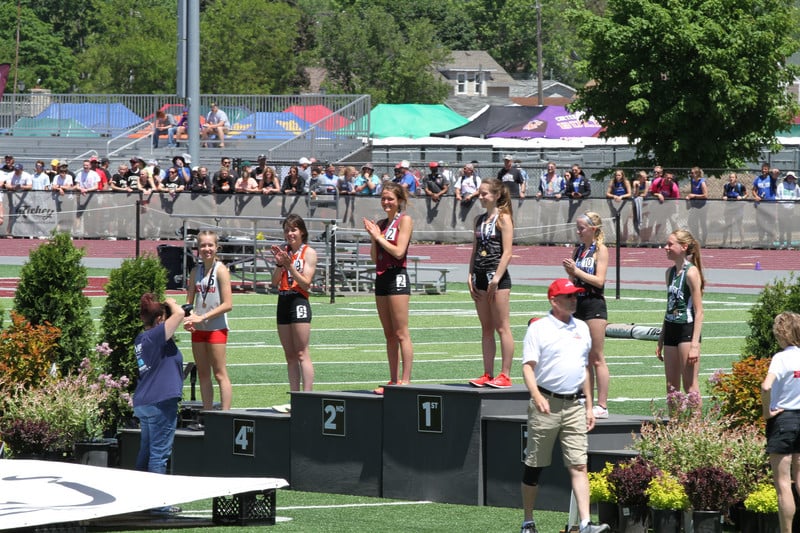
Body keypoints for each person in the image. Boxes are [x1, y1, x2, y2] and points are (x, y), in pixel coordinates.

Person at [519, 278, 610, 533]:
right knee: (535, 464)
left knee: (579, 464)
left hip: (574, 405)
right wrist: (536, 396)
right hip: (546, 402)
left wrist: (589, 405)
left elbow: (584, 369)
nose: (574, 300)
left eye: (575, 296)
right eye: (568, 296)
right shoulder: (538, 328)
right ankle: (528, 520)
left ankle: (584, 523)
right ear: (553, 300)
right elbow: (528, 367)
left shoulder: (581, 327)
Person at [362, 182, 414, 395]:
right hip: (381, 276)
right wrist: (374, 237)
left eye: (390, 198)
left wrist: (379, 237)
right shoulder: (382, 223)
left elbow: (399, 251)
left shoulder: (405, 220)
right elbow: (375, 257)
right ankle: (392, 380)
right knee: (389, 333)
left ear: (399, 200)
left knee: (401, 332)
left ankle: (406, 380)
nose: (386, 202)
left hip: (397, 276)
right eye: (383, 198)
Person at [467, 178, 515, 389]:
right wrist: (470, 274)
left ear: (496, 195)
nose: (481, 196)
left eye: (485, 193)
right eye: (480, 193)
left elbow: (507, 252)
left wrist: (496, 277)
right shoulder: (479, 220)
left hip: (497, 278)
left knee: (502, 327)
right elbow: (475, 248)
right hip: (479, 275)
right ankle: (488, 373)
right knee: (486, 328)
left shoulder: (503, 218)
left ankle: (505, 375)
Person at [562, 212, 610, 418]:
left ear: (593, 229)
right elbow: (575, 279)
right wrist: (571, 274)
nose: (578, 232)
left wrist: (577, 272)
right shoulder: (578, 250)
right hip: (577, 303)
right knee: (581, 356)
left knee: (596, 356)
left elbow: (599, 281)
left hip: (594, 304)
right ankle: (585, 399)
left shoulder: (601, 250)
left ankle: (602, 405)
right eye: (577, 228)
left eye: (582, 228)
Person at [133, 294, 184, 486]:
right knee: (159, 455)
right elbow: (179, 313)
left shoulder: (142, 338)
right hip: (161, 402)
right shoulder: (155, 336)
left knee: (146, 452)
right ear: (160, 319)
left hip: (144, 401)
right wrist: (171, 303)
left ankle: (140, 499)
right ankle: (159, 505)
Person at [270, 214, 318, 410]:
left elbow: (306, 283)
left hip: (299, 299)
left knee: (301, 352)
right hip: (283, 298)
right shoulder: (285, 252)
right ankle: (294, 398)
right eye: (287, 230)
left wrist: (290, 266)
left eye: (294, 229)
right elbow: (273, 282)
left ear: (302, 232)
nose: (290, 233)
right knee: (289, 354)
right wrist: (280, 264)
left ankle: (307, 398)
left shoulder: (309, 252)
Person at [184, 230, 233, 412]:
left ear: (216, 247)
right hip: (198, 330)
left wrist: (203, 317)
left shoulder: (221, 270)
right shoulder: (196, 271)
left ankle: (226, 416)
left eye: (210, 245)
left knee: (220, 374)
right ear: (197, 248)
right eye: (203, 245)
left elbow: (228, 304)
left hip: (216, 328)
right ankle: (207, 415)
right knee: (204, 375)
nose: (207, 249)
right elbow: (189, 302)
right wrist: (189, 318)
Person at [760, 311, 800, 533]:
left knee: (783, 484)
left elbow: (766, 386)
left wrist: (767, 411)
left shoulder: (780, 358)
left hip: (783, 420)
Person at [655, 229, 705, 403]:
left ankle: (695, 428)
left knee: (690, 386)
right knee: (671, 386)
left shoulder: (691, 273)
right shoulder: (669, 273)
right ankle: (675, 426)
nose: (666, 247)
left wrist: (694, 345)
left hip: (686, 329)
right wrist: (661, 338)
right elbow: (669, 307)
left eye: (670, 244)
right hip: (671, 329)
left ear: (683, 247)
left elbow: (699, 312)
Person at [753, 163, 778, 246]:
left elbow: (776, 172)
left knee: (770, 223)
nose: (764, 170)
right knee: (761, 223)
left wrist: (770, 171)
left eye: (766, 169)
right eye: (763, 169)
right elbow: (753, 190)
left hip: (770, 204)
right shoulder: (758, 179)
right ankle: (760, 241)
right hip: (761, 205)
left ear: (768, 170)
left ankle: (770, 241)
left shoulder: (771, 178)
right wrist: (756, 196)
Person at [721, 172, 748, 247]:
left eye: (733, 177)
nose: (731, 179)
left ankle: (743, 241)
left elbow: (746, 194)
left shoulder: (740, 186)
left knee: (740, 225)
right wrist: (724, 197)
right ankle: (724, 242)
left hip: (738, 208)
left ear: (736, 178)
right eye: (730, 177)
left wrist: (742, 197)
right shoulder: (726, 186)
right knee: (727, 225)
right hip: (729, 208)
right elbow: (724, 194)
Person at [685, 166, 709, 244]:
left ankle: (704, 242)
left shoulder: (702, 182)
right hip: (695, 206)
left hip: (702, 206)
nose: (691, 174)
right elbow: (693, 192)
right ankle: (697, 239)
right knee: (691, 222)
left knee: (702, 224)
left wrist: (694, 196)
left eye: (692, 173)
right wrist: (689, 197)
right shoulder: (692, 181)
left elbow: (705, 195)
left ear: (697, 173)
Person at [776, 172, 799, 249]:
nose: (790, 178)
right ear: (786, 177)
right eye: (789, 177)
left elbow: (798, 197)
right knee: (781, 228)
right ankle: (781, 244)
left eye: (792, 177)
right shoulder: (781, 185)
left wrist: (794, 201)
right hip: (782, 209)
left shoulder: (796, 186)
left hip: (791, 210)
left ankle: (789, 244)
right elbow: (778, 196)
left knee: (789, 228)